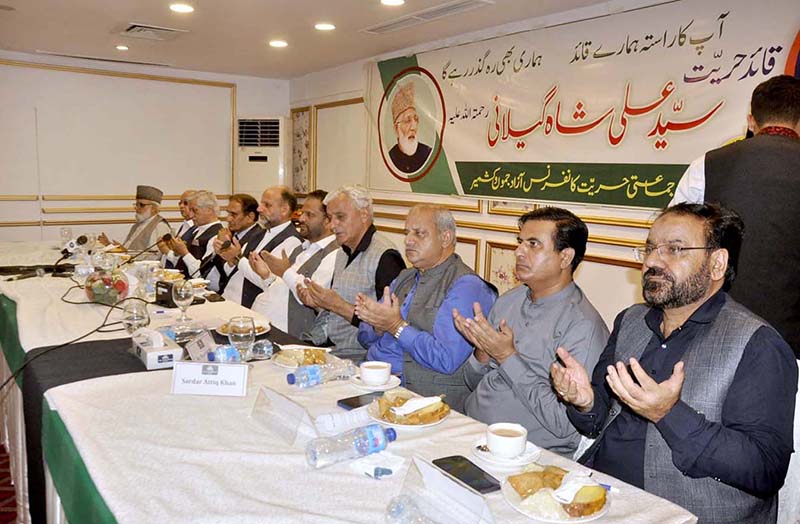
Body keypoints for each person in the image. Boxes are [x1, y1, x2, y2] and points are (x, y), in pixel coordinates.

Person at [552, 203, 797, 524]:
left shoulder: (756, 343)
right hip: (600, 497)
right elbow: (597, 422)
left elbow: (764, 469)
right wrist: (584, 403)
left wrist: (669, 414)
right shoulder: (631, 321)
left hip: (685, 514)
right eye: (651, 248)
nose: (653, 261)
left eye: (675, 249)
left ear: (717, 263)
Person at [453, 207, 608, 456]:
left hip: (526, 455)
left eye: (533, 244)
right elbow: (471, 383)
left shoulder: (582, 326)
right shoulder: (509, 301)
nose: (519, 252)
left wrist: (506, 357)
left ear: (565, 257)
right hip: (471, 430)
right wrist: (482, 351)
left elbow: (565, 426)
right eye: (520, 242)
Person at [670, 75, 800, 357]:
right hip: (792, 348)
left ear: (752, 121)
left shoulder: (707, 164)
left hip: (712, 337)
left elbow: (672, 248)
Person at [355, 205, 496, 413]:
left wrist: (395, 326)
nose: (408, 240)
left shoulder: (466, 286)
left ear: (445, 238)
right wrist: (378, 325)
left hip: (419, 399)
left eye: (419, 233)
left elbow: (446, 359)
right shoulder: (405, 277)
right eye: (407, 233)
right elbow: (364, 337)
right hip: (374, 382)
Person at [300, 186, 405, 363]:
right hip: (329, 347)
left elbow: (390, 324)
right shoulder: (343, 251)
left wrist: (336, 305)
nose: (333, 225)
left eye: (340, 217)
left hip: (361, 359)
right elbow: (336, 311)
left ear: (364, 215)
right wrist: (319, 303)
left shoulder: (386, 257)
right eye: (331, 218)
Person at [249, 190, 338, 337]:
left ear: (328, 221)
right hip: (265, 325)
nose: (301, 219)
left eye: (309, 215)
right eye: (302, 213)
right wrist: (267, 276)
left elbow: (313, 297)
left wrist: (284, 271)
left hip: (292, 335)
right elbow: (283, 288)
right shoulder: (302, 247)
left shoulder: (334, 253)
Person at [221, 186, 302, 308]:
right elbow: (232, 271)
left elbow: (267, 281)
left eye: (267, 205)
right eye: (261, 204)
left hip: (252, 309)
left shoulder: (291, 240)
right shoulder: (259, 233)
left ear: (284, 210)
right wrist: (229, 258)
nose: (259, 209)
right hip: (228, 299)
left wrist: (237, 258)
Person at [202, 194, 265, 299]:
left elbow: (232, 275)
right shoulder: (230, 234)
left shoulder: (258, 238)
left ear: (250, 217)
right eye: (228, 213)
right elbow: (203, 269)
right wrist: (217, 251)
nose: (228, 219)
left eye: (234, 214)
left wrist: (226, 253)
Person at [98, 185, 171, 253]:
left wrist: (125, 252)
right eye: (136, 204)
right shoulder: (137, 225)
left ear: (153, 208)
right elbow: (126, 249)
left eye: (141, 205)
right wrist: (109, 245)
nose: (137, 208)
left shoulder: (160, 226)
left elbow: (155, 255)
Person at [167, 191, 223, 278]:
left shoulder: (217, 236)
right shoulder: (195, 230)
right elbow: (181, 264)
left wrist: (185, 253)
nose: (191, 215)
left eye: (195, 210)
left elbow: (202, 274)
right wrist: (176, 252)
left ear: (209, 210)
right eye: (190, 210)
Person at [388, 81, 432, 174]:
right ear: (396, 128)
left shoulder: (427, 153)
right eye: (407, 120)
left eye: (416, 119)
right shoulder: (390, 158)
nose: (413, 126)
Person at [159, 189, 197, 269]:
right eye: (180, 203)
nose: (181, 206)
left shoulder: (197, 229)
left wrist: (167, 251)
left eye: (185, 203)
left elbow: (185, 261)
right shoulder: (184, 225)